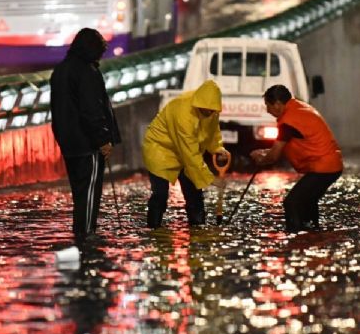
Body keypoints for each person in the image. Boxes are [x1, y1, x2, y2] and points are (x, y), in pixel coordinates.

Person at [49, 28, 121, 241]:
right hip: (87, 143)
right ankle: (86, 234)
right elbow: (91, 110)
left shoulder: (60, 70)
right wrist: (103, 139)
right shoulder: (87, 72)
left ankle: (80, 232)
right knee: (89, 192)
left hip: (68, 143)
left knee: (79, 193)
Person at [250, 84, 343, 232]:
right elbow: (284, 146)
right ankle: (312, 233)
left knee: (292, 203)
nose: (267, 110)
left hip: (323, 167)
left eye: (268, 106)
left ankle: (295, 236)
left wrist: (262, 159)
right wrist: (264, 152)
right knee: (307, 200)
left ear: (278, 104)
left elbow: (274, 156)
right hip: (331, 165)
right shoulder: (299, 109)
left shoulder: (288, 121)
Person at [142, 79, 231, 228]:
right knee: (160, 194)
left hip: (186, 152)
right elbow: (190, 154)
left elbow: (212, 132)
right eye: (206, 109)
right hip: (161, 149)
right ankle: (153, 229)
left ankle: (198, 229)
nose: (210, 112)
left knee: (195, 194)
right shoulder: (182, 111)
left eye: (212, 110)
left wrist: (217, 148)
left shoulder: (212, 110)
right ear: (198, 103)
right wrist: (211, 179)